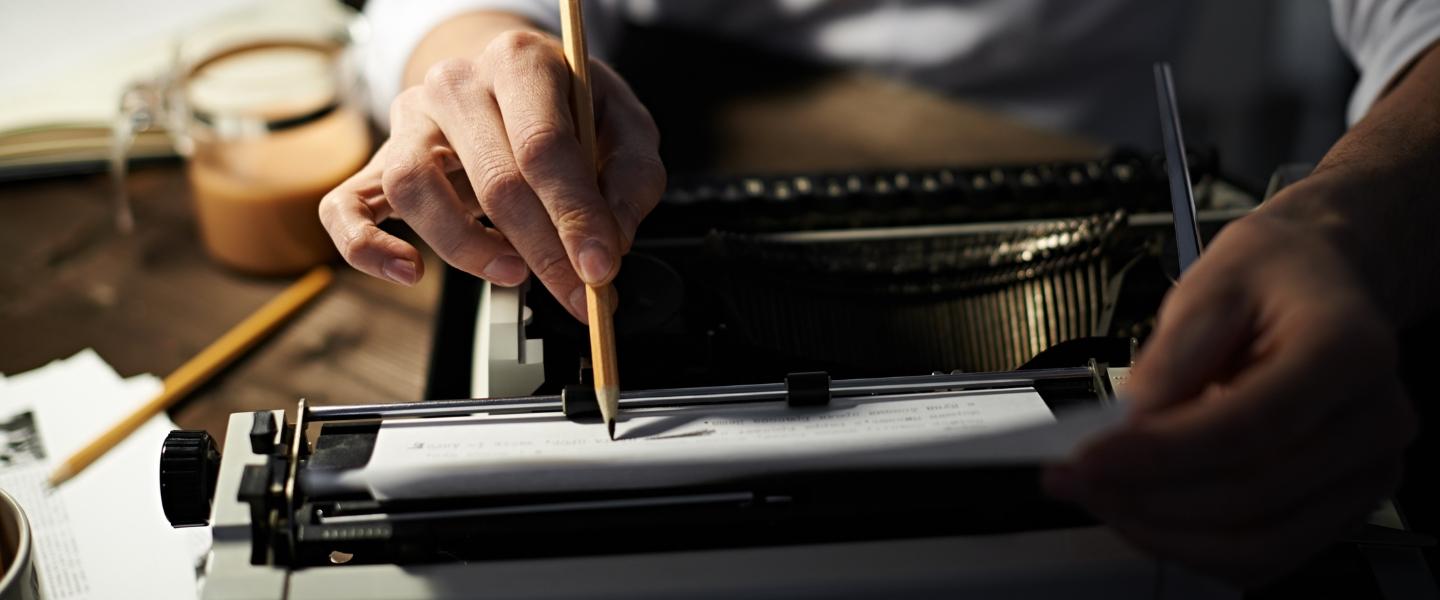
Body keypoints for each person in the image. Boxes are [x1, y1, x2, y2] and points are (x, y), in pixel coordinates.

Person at [318, 0, 1440, 586]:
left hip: (1075, 140)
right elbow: (480, 13)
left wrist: (1354, 218)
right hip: (666, 135)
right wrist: (485, 62)